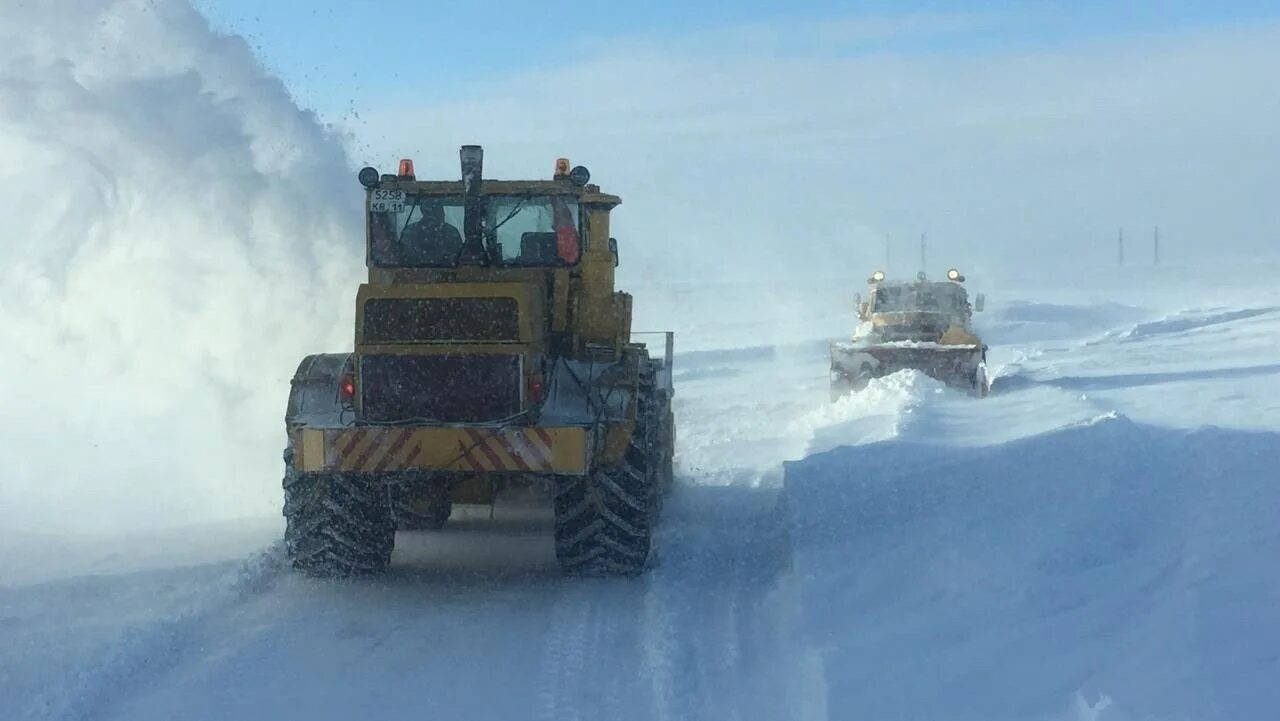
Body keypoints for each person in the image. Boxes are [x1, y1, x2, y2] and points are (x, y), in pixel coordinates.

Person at [400, 199, 462, 265]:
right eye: (439, 211)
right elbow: (405, 254)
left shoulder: (409, 231)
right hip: (411, 272)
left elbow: (457, 256)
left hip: (448, 272)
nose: (442, 214)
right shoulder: (410, 232)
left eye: (440, 211)